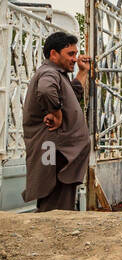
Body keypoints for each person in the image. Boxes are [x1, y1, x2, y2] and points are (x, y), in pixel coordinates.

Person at [23, 32, 92, 211]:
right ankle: (49, 237)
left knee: (60, 200)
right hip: (54, 150)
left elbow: (72, 98)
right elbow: (46, 91)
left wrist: (82, 72)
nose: (74, 59)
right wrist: (56, 112)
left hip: (59, 151)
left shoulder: (59, 75)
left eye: (76, 54)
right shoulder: (49, 72)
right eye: (70, 54)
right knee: (54, 199)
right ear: (53, 54)